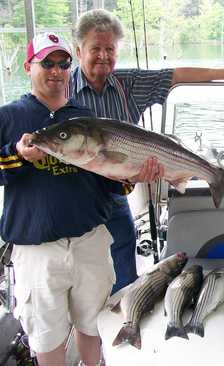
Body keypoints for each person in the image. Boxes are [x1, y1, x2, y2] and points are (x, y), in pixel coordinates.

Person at [70, 9, 224, 294]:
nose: (103, 55)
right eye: (95, 48)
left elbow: (174, 75)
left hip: (114, 196)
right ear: (78, 50)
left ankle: (125, 320)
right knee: (81, 277)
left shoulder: (128, 84)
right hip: (74, 198)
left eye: (110, 49)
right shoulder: (63, 89)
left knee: (124, 269)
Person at [0, 33, 157, 366]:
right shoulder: (9, 117)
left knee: (94, 324)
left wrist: (131, 177)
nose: (56, 71)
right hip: (37, 250)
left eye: (63, 64)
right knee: (47, 336)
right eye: (47, 63)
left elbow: (111, 187)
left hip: (91, 241)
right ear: (29, 66)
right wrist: (16, 156)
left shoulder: (86, 117)